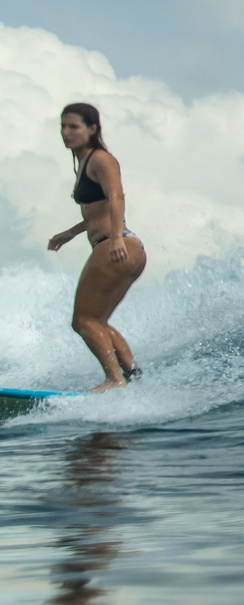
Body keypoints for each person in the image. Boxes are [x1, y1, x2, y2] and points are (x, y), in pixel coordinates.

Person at [46, 104, 147, 390]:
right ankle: (131, 374)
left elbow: (116, 198)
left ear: (92, 129)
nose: (66, 133)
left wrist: (115, 237)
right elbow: (96, 211)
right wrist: (70, 233)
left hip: (116, 245)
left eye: (74, 127)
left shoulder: (101, 159)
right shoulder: (83, 161)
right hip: (127, 247)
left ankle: (114, 380)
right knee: (98, 320)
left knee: (83, 321)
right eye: (63, 127)